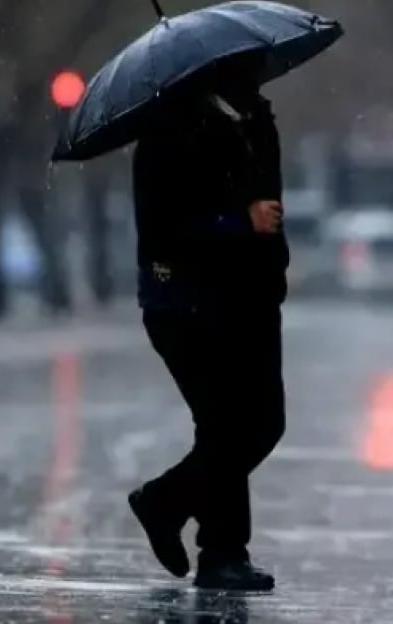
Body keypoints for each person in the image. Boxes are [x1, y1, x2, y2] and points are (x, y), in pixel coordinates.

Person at [126, 61, 289, 592]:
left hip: (254, 297)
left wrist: (270, 262)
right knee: (227, 427)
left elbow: (271, 204)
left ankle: (169, 507)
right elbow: (162, 233)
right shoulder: (168, 132)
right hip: (189, 303)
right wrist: (239, 224)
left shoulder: (257, 120)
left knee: (260, 425)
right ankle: (219, 552)